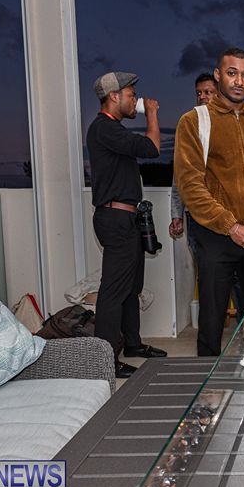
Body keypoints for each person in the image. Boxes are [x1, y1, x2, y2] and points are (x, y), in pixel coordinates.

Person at [173, 48, 244, 356]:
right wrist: (230, 226)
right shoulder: (194, 121)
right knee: (212, 321)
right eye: (232, 73)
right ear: (218, 75)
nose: (239, 81)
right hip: (216, 237)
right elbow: (190, 185)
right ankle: (207, 382)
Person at [86, 71, 168, 378]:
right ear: (114, 96)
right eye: (132, 95)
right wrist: (153, 113)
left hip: (127, 218)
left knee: (131, 287)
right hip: (115, 219)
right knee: (113, 291)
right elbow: (151, 147)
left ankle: (132, 344)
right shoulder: (104, 128)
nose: (136, 101)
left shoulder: (113, 130)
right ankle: (105, 360)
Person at [169, 73, 217, 241]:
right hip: (196, 214)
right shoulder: (190, 126)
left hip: (228, 213)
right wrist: (177, 214)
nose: (202, 97)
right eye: (198, 93)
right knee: (201, 257)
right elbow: (180, 173)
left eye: (207, 92)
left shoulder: (235, 125)